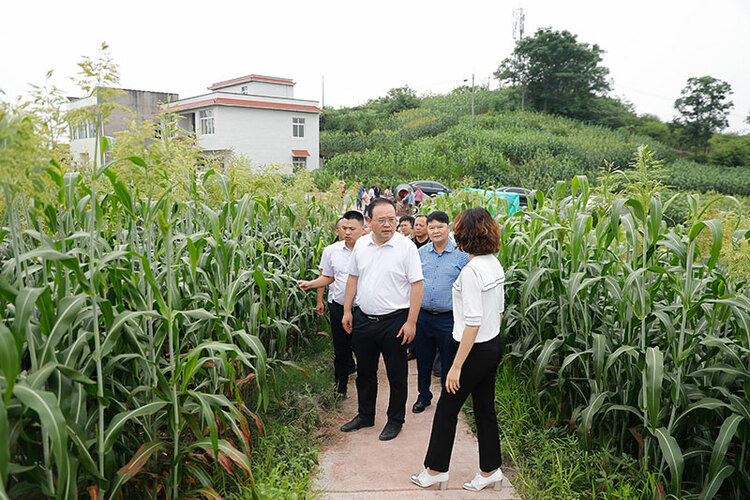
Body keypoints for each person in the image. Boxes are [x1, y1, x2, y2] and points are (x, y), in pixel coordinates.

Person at [411, 207, 506, 492]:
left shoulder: (471, 271)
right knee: (484, 410)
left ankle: (435, 470)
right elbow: (498, 312)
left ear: (465, 234)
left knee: (447, 409)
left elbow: (472, 323)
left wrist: (455, 366)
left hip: (474, 349)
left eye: (456, 228)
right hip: (493, 346)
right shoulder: (493, 263)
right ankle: (491, 470)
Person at [341, 198, 424, 441]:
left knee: (396, 374)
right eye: (382, 220)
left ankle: (395, 420)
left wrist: (411, 322)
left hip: (395, 322)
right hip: (364, 320)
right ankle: (365, 415)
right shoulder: (361, 245)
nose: (388, 224)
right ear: (369, 221)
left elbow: (417, 285)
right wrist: (348, 310)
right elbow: (352, 278)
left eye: (392, 220)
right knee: (365, 371)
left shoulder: (405, 247)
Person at [298, 211, 366, 397]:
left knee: (364, 352)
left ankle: (365, 394)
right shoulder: (331, 251)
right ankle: (340, 389)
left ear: (363, 229)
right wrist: (310, 285)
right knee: (341, 350)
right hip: (338, 306)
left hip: (364, 310)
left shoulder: (371, 250)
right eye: (344, 228)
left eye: (352, 228)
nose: (347, 232)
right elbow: (327, 277)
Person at [411, 211, 469, 414]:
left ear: (448, 228)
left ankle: (447, 399)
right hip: (424, 316)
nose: (435, 231)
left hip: (449, 318)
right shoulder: (421, 253)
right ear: (427, 229)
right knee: (424, 360)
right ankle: (423, 396)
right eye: (431, 227)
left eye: (439, 227)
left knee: (448, 360)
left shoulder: (461, 254)